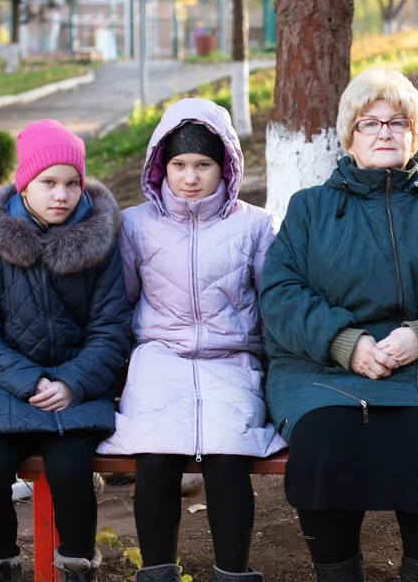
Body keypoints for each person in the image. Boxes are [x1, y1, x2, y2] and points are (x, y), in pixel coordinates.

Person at [259, 68, 418, 582]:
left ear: (414, 134)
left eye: (397, 122)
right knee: (325, 444)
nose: (384, 133)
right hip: (323, 370)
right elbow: (281, 296)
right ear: (349, 136)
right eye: (369, 124)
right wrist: (345, 344)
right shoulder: (310, 209)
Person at [97, 99, 285, 582]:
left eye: (203, 165)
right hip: (159, 360)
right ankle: (158, 572)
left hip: (232, 360)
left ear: (226, 166)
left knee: (228, 458)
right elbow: (121, 303)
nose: (190, 176)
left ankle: (232, 574)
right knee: (156, 458)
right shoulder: (136, 225)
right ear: (161, 165)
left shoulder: (254, 225)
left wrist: (271, 369)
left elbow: (272, 305)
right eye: (179, 164)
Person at [0, 120, 132, 582]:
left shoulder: (100, 245)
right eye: (48, 183)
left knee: (70, 470)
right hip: (9, 385)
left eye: (72, 183)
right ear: (24, 184)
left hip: (79, 384)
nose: (62, 195)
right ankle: (1, 567)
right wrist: (28, 380)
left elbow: (111, 329)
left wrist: (72, 383)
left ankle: (76, 568)